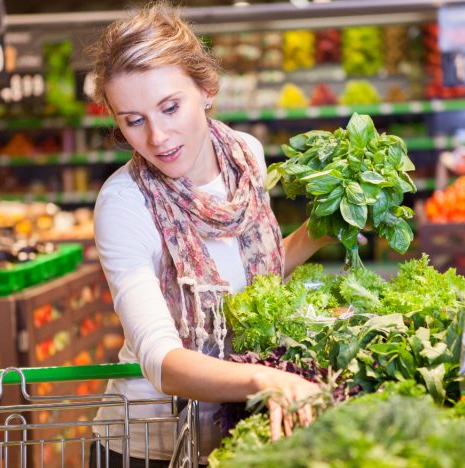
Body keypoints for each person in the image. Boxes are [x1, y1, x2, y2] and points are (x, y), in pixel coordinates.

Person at [87, 2, 335, 466]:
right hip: (149, 446)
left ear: (207, 88)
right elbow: (160, 360)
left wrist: (316, 233)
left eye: (170, 107)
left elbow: (248, 285)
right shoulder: (124, 204)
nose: (158, 137)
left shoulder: (246, 156)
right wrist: (264, 379)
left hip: (234, 433)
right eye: (133, 120)